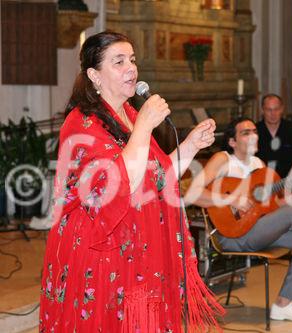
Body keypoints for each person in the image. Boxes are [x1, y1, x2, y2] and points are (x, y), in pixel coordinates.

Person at [39, 31, 223, 332]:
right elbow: (117, 184)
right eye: (119, 61)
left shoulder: (130, 114)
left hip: (137, 248)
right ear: (94, 75)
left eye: (133, 60)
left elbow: (158, 178)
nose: (131, 68)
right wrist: (145, 125)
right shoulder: (82, 123)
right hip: (101, 250)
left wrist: (190, 145)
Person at [185, 117, 292, 324]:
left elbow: (275, 208)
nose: (253, 135)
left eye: (254, 131)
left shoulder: (259, 166)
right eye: (245, 132)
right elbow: (191, 194)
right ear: (232, 142)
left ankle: (284, 305)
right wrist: (232, 199)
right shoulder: (223, 160)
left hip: (258, 230)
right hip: (229, 235)